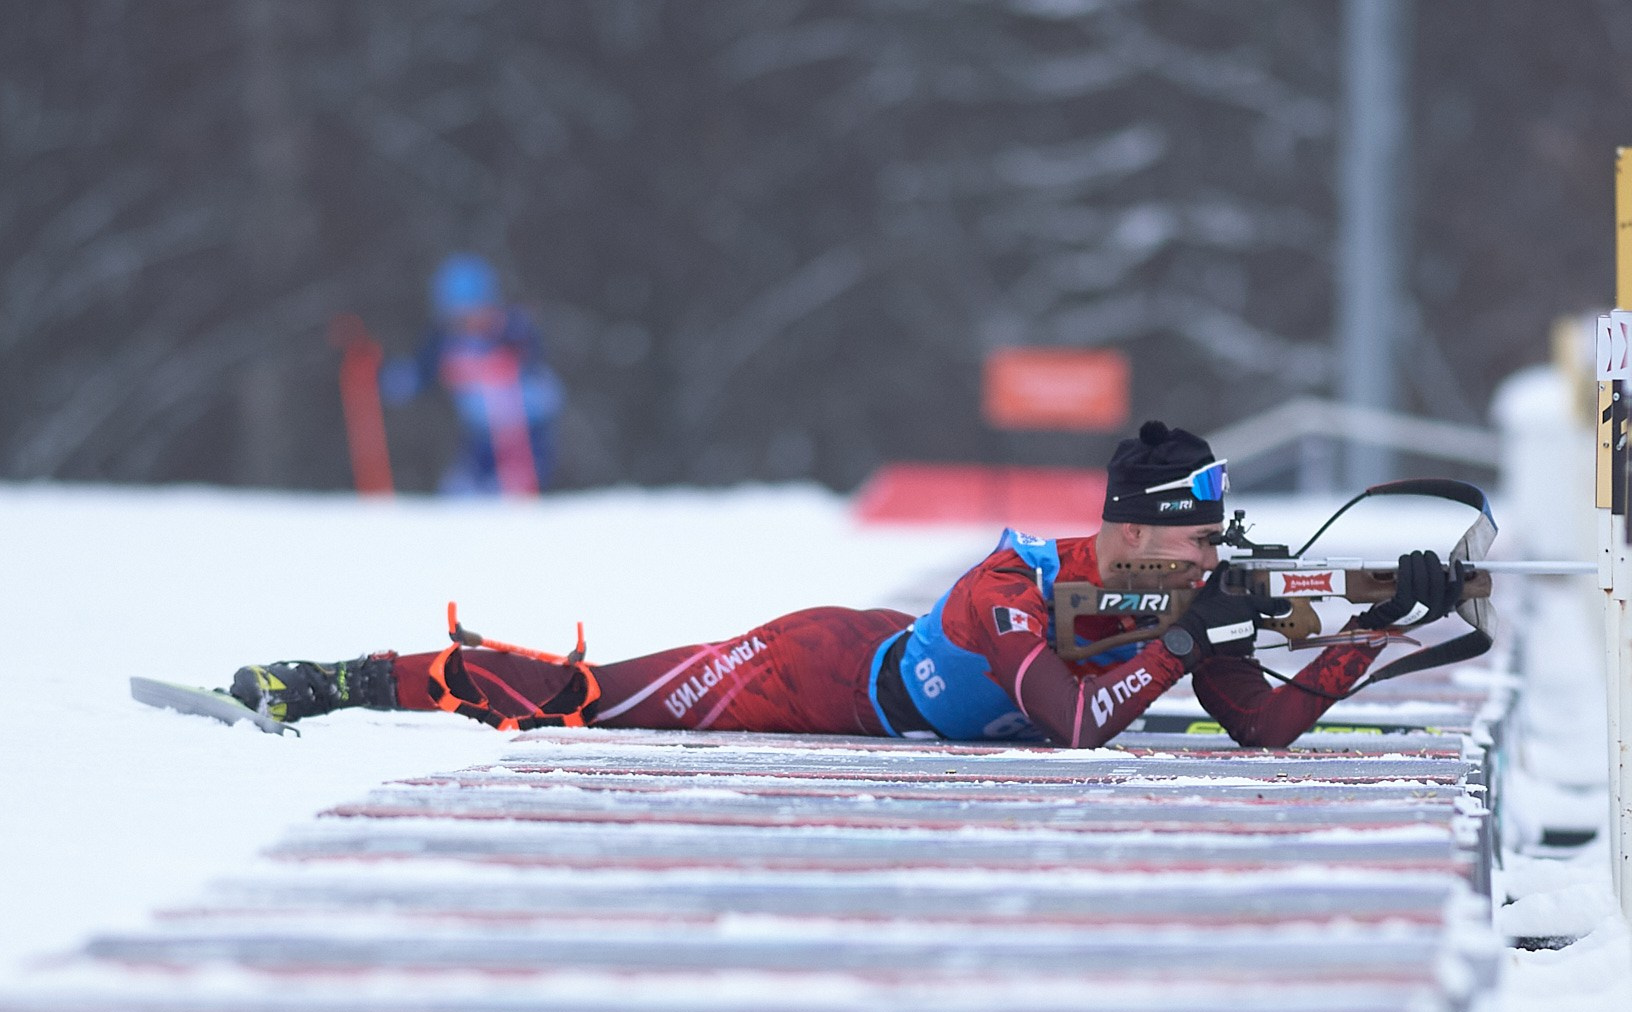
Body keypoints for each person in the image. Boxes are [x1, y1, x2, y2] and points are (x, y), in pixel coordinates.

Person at [224, 421, 1462, 751]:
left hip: (874, 659)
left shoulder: (1164, 602)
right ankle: (339, 682)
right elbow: (1075, 726)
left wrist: (1377, 628)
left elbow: (1265, 727)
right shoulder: (1012, 585)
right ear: (1137, 537)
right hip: (810, 674)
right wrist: (1191, 645)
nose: (1211, 562)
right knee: (579, 696)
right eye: (1197, 543)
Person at [381, 253, 564, 496]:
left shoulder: (513, 329)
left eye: (474, 313)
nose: (468, 323)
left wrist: (508, 362)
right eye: (458, 317)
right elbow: (417, 374)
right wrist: (392, 379)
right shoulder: (443, 341)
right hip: (480, 435)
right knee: (462, 493)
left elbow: (536, 367)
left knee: (512, 493)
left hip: (525, 434)